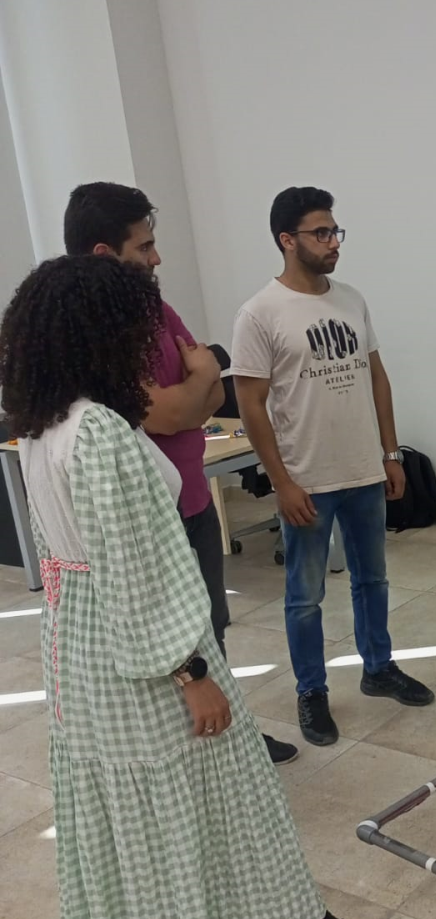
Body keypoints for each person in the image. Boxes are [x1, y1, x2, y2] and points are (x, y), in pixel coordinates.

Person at [0, 256, 401, 919]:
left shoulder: (41, 426)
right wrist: (191, 672)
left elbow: (79, 560)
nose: (141, 346)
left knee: (143, 807)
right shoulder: (100, 432)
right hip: (143, 657)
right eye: (131, 330)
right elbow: (136, 569)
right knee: (231, 786)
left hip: (84, 654)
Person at [63, 182, 297, 767]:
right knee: (172, 639)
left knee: (211, 624)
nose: (157, 258)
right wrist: (198, 383)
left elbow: (211, 395)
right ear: (103, 255)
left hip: (193, 499)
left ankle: (230, 739)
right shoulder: (92, 334)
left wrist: (195, 388)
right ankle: (196, 749)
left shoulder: (157, 311)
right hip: (150, 515)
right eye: (144, 247)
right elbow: (170, 410)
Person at [232, 185, 433, 748]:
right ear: (287, 240)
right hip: (308, 480)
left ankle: (379, 668)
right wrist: (281, 482)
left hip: (364, 470)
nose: (334, 242)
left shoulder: (351, 299)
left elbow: (377, 377)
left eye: (335, 231)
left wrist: (390, 454)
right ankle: (312, 691)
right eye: (321, 233)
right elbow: (251, 405)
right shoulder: (259, 313)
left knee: (373, 580)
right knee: (305, 596)